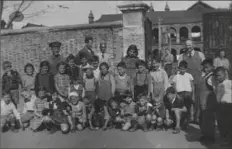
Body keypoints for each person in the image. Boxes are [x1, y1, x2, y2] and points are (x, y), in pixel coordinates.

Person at [178, 39, 205, 123]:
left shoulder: (200, 54)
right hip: (186, 82)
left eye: (189, 45)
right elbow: (179, 70)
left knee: (197, 100)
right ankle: (188, 118)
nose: (188, 47)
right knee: (187, 100)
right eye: (186, 45)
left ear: (193, 45)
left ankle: (197, 118)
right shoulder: (182, 56)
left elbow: (204, 67)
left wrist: (203, 77)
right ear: (184, 46)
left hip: (198, 80)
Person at [199, 59, 217, 144]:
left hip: (209, 102)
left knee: (209, 119)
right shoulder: (205, 76)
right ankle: (205, 134)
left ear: (212, 67)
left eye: (207, 67)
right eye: (204, 67)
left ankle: (211, 136)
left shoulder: (212, 77)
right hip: (203, 101)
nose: (205, 69)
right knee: (204, 119)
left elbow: (215, 90)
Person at [215, 67, 232, 146]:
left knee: (226, 123)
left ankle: (227, 139)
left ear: (225, 75)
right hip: (224, 106)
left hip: (226, 106)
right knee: (226, 123)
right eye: (217, 76)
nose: (218, 77)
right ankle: (227, 139)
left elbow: (218, 98)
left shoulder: (223, 84)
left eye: (219, 75)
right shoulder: (224, 83)